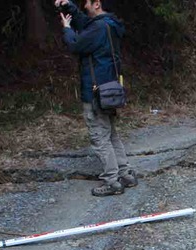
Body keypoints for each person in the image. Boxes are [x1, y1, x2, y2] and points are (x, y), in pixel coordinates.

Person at [55, 0, 139, 197]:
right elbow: (85, 23)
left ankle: (112, 181)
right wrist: (69, 7)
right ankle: (125, 174)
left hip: (95, 91)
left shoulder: (98, 28)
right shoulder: (109, 24)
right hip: (110, 89)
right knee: (111, 134)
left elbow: (76, 44)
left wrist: (67, 29)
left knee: (100, 137)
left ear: (97, 4)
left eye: (86, 3)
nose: (84, 6)